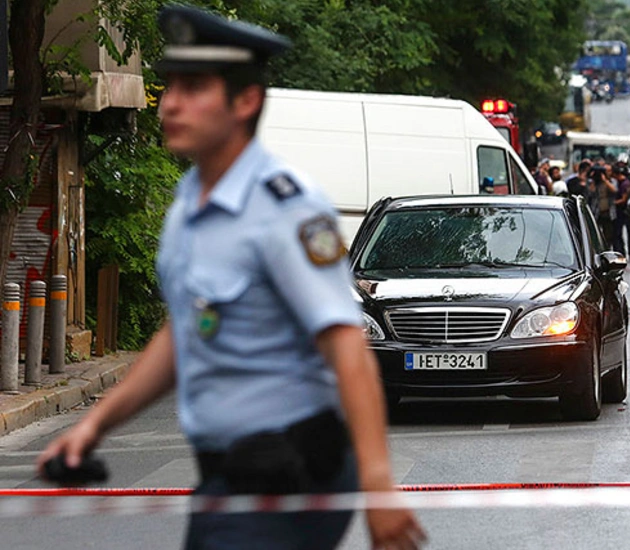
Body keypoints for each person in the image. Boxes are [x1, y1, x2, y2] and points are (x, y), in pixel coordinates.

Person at [37, 5, 425, 549]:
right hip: (230, 476)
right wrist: (93, 426)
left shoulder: (286, 207)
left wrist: (378, 485)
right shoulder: (187, 206)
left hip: (292, 472)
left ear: (245, 102)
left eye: (194, 87)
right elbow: (184, 334)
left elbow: (346, 345)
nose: (170, 103)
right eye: (170, 85)